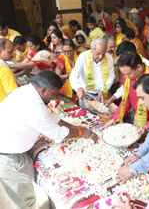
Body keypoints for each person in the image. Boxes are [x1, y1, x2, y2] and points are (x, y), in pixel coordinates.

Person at [0, 70, 98, 209]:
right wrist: (81, 132)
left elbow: (52, 118)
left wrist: (73, 126)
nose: (54, 98)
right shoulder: (34, 105)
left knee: (26, 187)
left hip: (12, 148)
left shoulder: (27, 91)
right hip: (8, 157)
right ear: (43, 90)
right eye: (53, 94)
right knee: (25, 201)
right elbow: (57, 133)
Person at [103, 52, 149, 130]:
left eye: (128, 73)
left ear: (139, 67)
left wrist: (148, 126)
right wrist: (115, 119)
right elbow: (126, 99)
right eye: (124, 74)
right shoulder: (128, 77)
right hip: (139, 118)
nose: (126, 77)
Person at [104, 41, 149, 106]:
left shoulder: (148, 66)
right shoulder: (127, 66)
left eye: (122, 58)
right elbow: (126, 85)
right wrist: (112, 98)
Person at [70, 37, 115, 105]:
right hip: (86, 94)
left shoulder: (109, 58)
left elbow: (111, 77)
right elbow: (73, 75)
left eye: (103, 54)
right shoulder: (83, 57)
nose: (101, 57)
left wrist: (103, 90)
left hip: (103, 94)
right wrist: (78, 88)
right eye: (98, 53)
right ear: (91, 49)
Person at [0, 38, 18, 103]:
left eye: (13, 51)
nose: (13, 55)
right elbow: (13, 95)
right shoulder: (4, 70)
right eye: (9, 52)